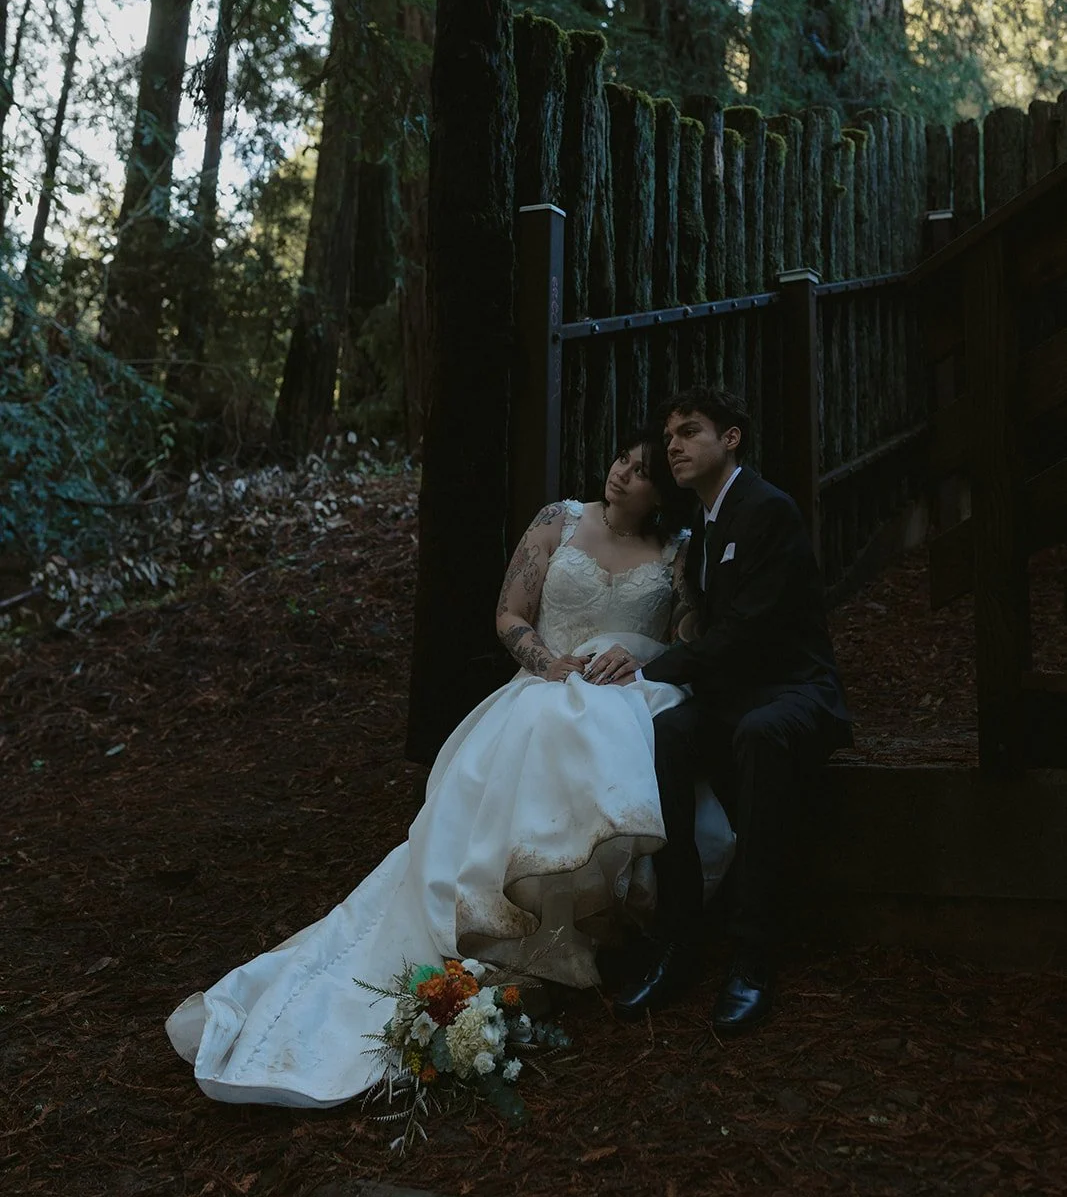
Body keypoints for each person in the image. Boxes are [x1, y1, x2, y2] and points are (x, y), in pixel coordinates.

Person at [165, 432, 734, 1109]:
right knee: (550, 725)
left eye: (641, 473)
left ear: (660, 493)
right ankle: (517, 921)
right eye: (620, 460)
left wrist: (649, 645)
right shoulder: (558, 520)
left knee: (624, 737)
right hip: (547, 684)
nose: (622, 475)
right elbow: (509, 614)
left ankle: (601, 927)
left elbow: (688, 635)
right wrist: (549, 664)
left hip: (624, 688)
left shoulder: (673, 549)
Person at [610, 389, 853, 1034]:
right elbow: (708, 626)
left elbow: (747, 632)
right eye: (669, 439)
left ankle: (751, 955)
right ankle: (679, 935)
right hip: (739, 692)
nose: (676, 446)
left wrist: (651, 666)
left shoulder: (768, 509)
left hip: (795, 689)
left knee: (756, 735)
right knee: (667, 730)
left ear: (733, 438)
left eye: (690, 432)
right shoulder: (707, 519)